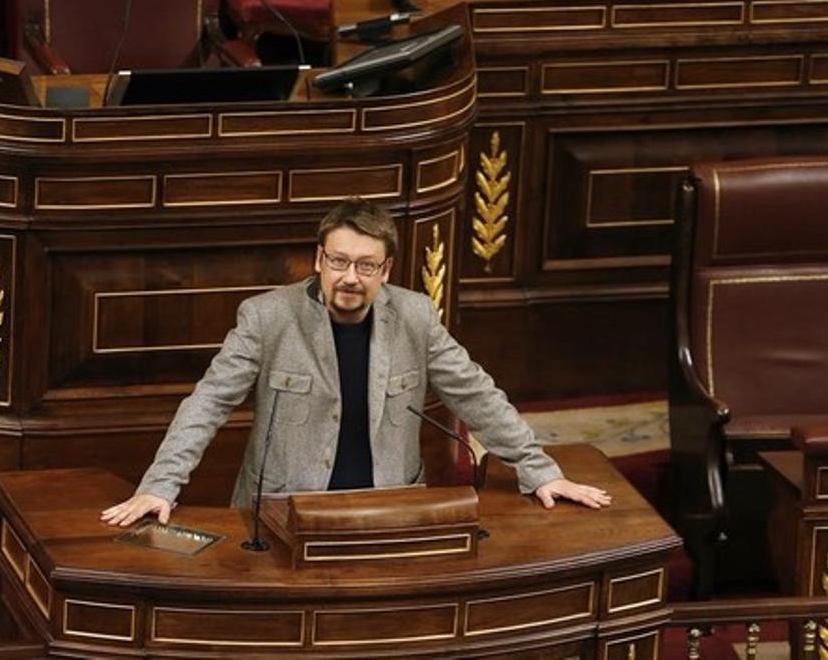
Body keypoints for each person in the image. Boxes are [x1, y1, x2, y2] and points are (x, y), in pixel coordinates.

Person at [102, 199, 611, 527]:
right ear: (319, 259)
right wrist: (160, 486)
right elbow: (207, 404)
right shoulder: (267, 317)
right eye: (339, 261)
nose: (351, 277)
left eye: (366, 265)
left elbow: (477, 395)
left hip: (388, 511)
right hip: (282, 514)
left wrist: (539, 470)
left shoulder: (413, 315)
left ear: (385, 270)